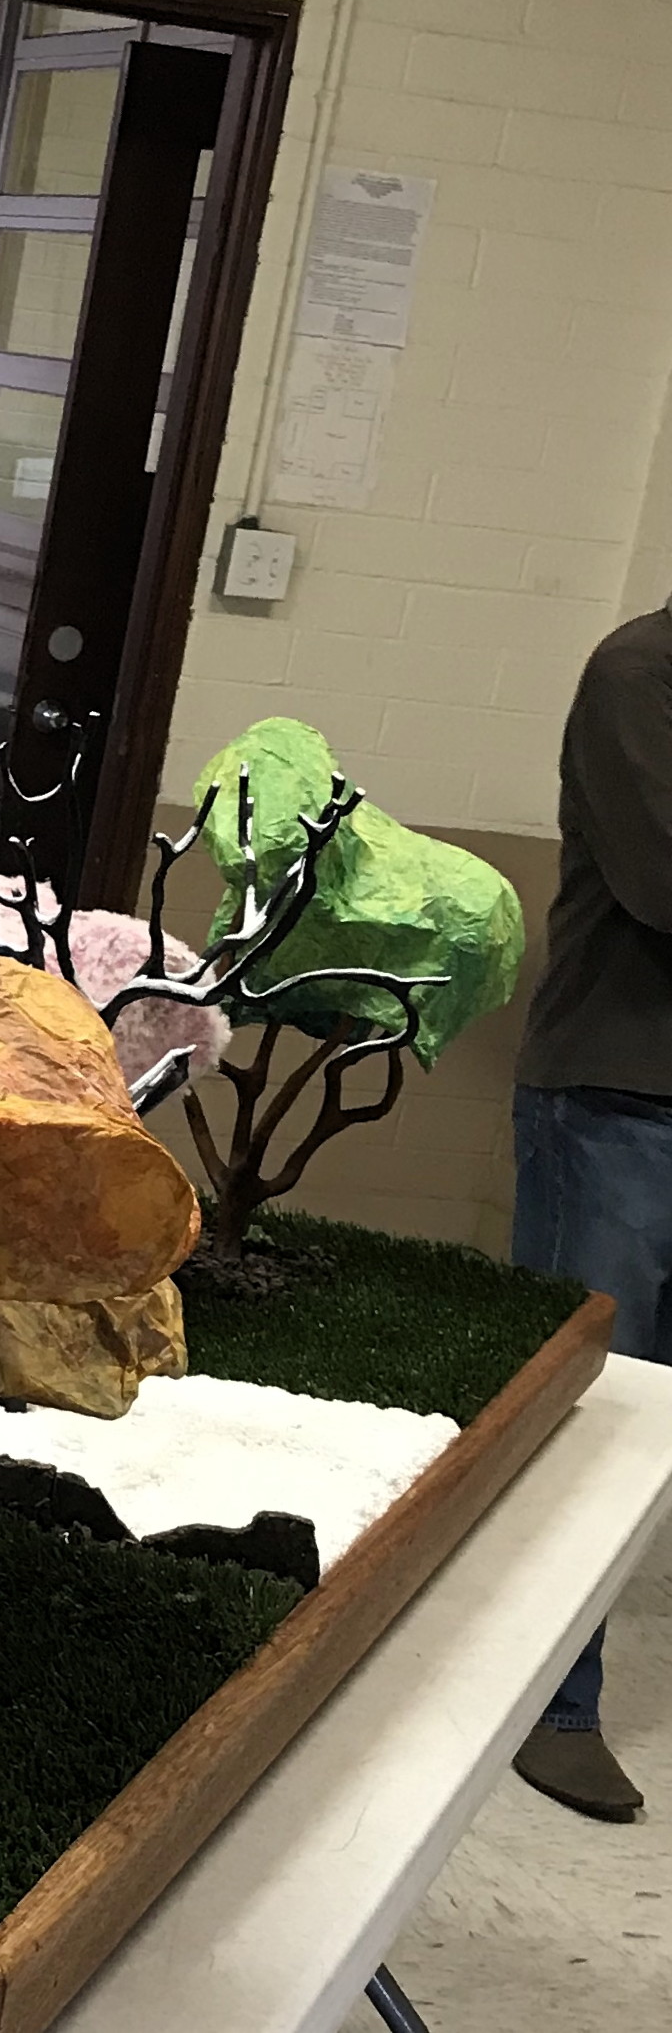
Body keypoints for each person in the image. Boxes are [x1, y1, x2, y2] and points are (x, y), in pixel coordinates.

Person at [508, 601, 672, 1825]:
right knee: (584, 1420)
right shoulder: (640, 669)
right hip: (620, 1098)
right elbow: (664, 879)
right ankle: (546, 1708)